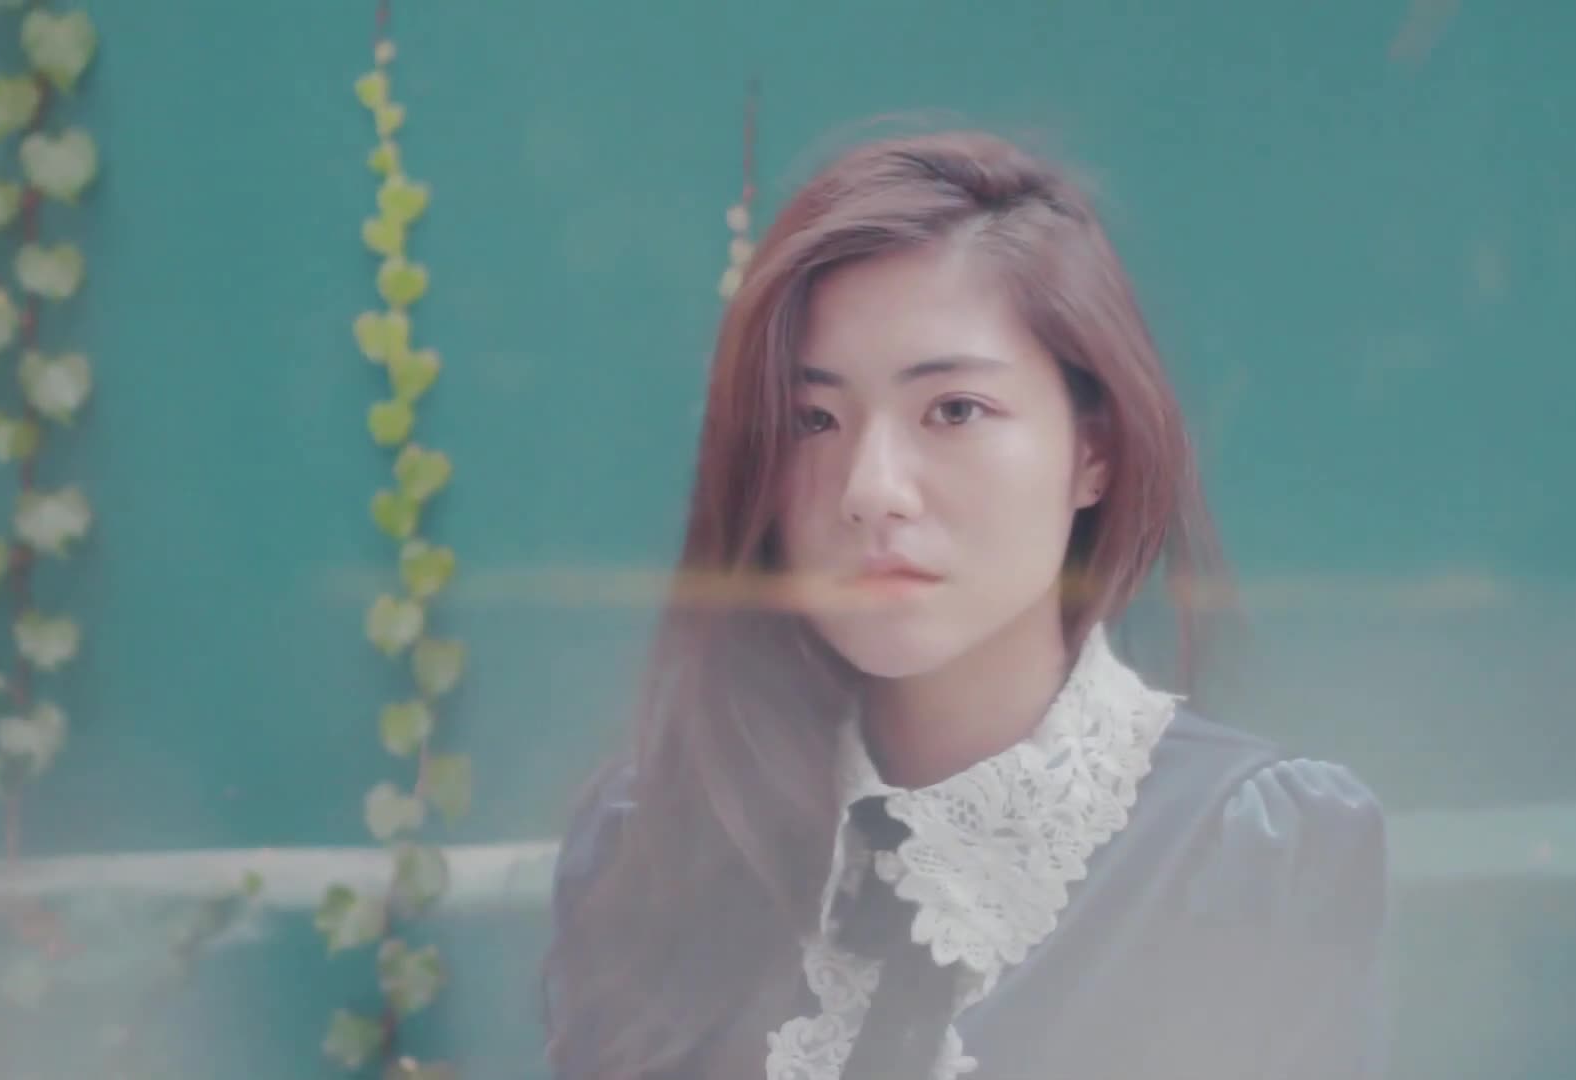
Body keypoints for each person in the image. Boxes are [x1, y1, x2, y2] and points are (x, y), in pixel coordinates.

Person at [541, 130, 1388, 1080]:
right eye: (813, 420)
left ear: (1095, 449)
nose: (872, 488)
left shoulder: (1242, 855)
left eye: (954, 410)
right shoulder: (651, 841)